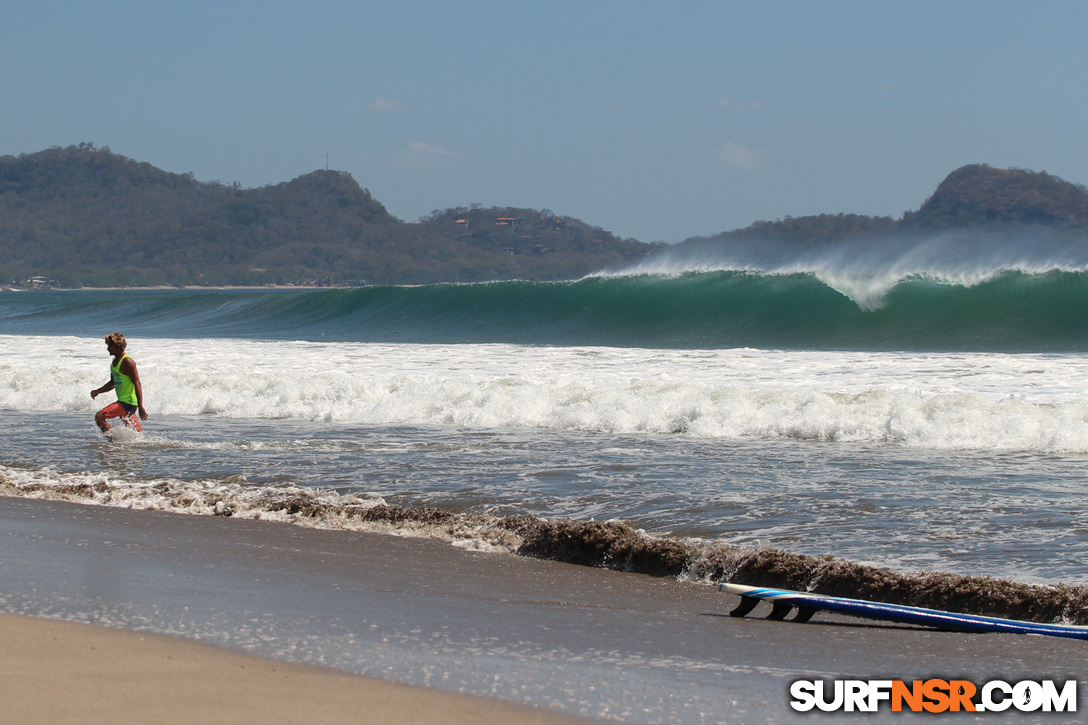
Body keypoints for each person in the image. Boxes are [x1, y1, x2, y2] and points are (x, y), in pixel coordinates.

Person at [91, 332, 148, 433]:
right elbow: (112, 383)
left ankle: (113, 443)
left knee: (99, 417)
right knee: (136, 433)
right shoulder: (114, 362)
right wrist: (98, 391)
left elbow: (137, 383)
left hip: (128, 402)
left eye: (110, 346)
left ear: (118, 347)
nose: (108, 349)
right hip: (124, 401)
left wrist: (141, 406)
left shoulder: (127, 362)